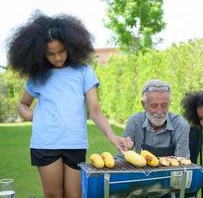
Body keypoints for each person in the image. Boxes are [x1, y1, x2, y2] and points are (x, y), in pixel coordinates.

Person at [6, 12, 132, 198]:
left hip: (75, 142)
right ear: (41, 52)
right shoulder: (38, 75)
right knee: (54, 195)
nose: (57, 57)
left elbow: (95, 111)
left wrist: (113, 137)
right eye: (51, 54)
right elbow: (23, 104)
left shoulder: (83, 72)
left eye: (61, 51)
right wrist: (28, 114)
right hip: (45, 142)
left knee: (75, 195)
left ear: (71, 47)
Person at [123, 79, 190, 158]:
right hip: (142, 169)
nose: (159, 111)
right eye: (154, 106)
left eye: (164, 105)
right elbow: (122, 155)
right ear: (143, 104)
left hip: (170, 170)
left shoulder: (180, 125)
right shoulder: (134, 122)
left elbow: (182, 162)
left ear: (169, 103)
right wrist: (125, 150)